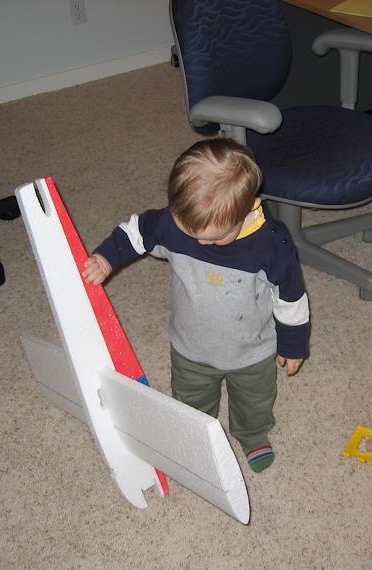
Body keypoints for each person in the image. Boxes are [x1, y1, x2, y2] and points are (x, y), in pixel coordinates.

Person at [82, 138, 310, 473]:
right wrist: (105, 258)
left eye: (215, 237)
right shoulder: (176, 224)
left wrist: (293, 344)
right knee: (191, 401)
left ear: (251, 208)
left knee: (255, 399)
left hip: (252, 350)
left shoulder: (272, 245)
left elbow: (290, 297)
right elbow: (137, 231)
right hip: (190, 345)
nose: (201, 243)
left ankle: (252, 434)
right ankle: (196, 437)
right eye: (190, 231)